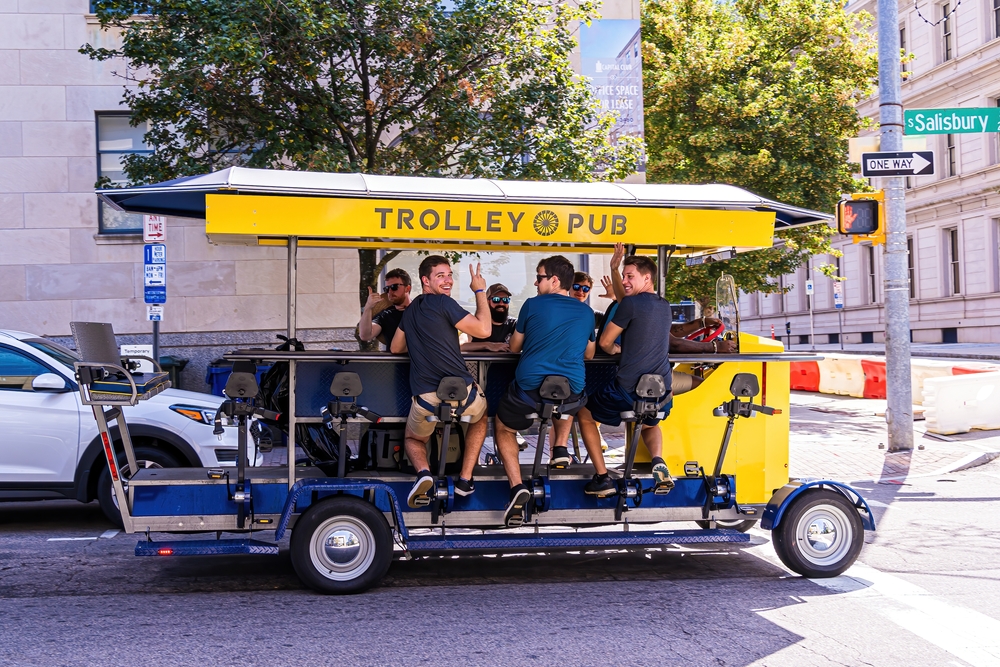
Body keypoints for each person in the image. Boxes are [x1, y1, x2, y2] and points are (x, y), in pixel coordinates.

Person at [492, 256, 596, 527]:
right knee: (571, 400)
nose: (535, 282)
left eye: (539, 277)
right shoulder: (586, 312)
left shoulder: (531, 305)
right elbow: (590, 352)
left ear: (554, 280)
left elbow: (514, 347)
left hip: (529, 390)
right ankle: (560, 446)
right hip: (570, 391)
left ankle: (516, 487)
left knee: (503, 426)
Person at [390, 256, 492, 508]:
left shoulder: (411, 310)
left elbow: (395, 348)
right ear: (425, 280)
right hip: (464, 394)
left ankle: (424, 474)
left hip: (426, 399)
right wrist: (480, 290)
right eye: (440, 276)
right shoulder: (445, 303)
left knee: (414, 439)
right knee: (480, 417)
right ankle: (465, 479)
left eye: (449, 275)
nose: (447, 281)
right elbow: (484, 330)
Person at [577, 254, 675, 498]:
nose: (625, 280)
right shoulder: (664, 305)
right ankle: (658, 461)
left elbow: (606, 341)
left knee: (584, 413)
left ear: (647, 277)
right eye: (624, 276)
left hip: (628, 391)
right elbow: (630, 305)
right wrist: (613, 268)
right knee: (650, 422)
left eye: (629, 276)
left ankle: (602, 478)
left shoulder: (630, 304)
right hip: (662, 391)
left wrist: (616, 349)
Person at [358, 268, 411, 348]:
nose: (390, 292)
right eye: (386, 289)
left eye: (394, 287)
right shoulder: (385, 315)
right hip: (395, 360)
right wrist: (368, 308)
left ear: (407, 288)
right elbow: (365, 336)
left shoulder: (420, 310)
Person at [461, 283, 517, 352]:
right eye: (496, 299)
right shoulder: (477, 324)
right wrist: (488, 345)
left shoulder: (515, 325)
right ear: (487, 301)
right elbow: (460, 345)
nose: (501, 303)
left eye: (505, 300)